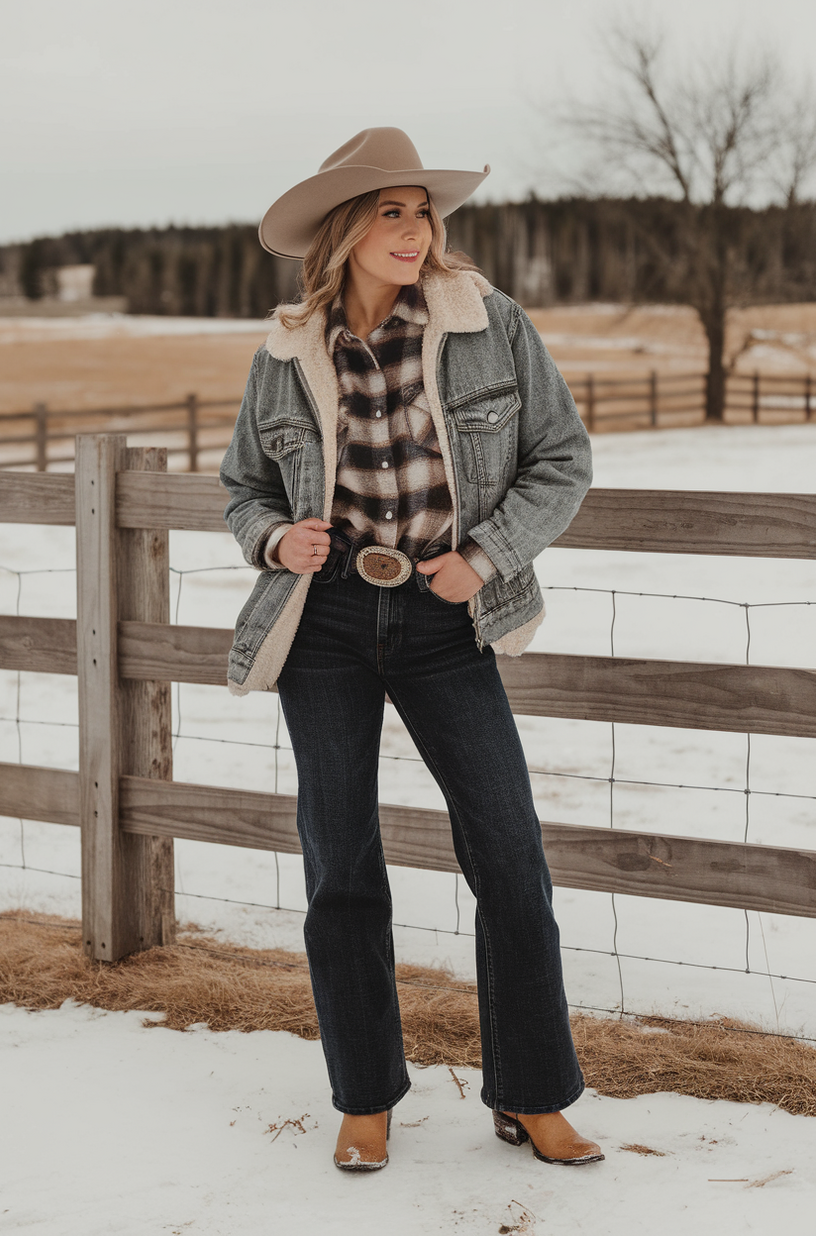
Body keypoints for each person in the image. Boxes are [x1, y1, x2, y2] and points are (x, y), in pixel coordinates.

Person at [220, 128, 602, 1172]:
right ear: (344, 229)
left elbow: (560, 459)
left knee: (510, 859)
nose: (414, 228)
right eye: (389, 210)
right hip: (327, 624)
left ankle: (531, 1093)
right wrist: (271, 535)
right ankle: (364, 1097)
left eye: (421, 209)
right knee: (341, 863)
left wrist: (484, 556)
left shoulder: (489, 325)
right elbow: (242, 487)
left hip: (448, 619)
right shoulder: (285, 351)